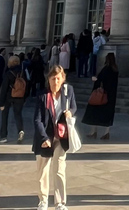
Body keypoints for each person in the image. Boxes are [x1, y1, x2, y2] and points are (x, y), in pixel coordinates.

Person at [34, 64, 77, 210]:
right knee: (43, 169)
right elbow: (37, 119)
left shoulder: (68, 91)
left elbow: (74, 106)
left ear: (63, 79)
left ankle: (60, 202)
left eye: (58, 79)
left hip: (61, 135)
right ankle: (43, 199)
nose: (56, 83)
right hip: (45, 136)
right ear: (48, 80)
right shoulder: (42, 96)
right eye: (53, 79)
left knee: (59, 168)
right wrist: (44, 137)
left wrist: (70, 112)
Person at [82, 52, 118, 140]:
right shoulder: (115, 69)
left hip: (101, 94)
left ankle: (93, 131)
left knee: (95, 112)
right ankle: (106, 132)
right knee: (107, 115)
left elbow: (102, 80)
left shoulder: (107, 69)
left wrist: (96, 79)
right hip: (111, 96)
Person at [0, 56, 27, 144]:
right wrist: (24, 97)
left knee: (5, 116)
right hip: (20, 97)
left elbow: (4, 88)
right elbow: (27, 84)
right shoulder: (23, 72)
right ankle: (20, 130)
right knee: (18, 114)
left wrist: (1, 102)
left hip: (9, 97)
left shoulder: (8, 73)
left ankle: (3, 136)